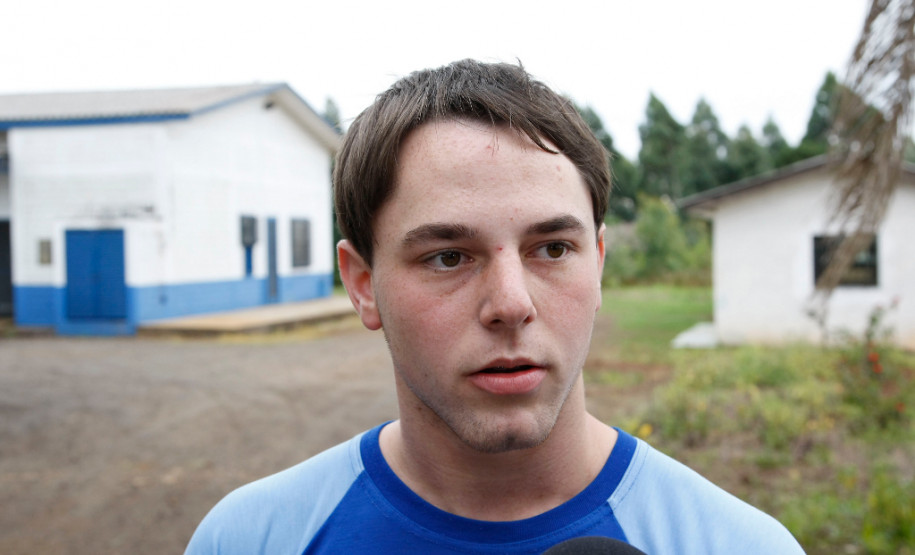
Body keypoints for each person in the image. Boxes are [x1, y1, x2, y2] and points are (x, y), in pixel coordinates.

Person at [185, 59, 804, 554]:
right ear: (363, 284)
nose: (510, 305)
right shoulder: (247, 538)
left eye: (554, 248)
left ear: (600, 262)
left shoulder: (738, 544)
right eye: (449, 257)